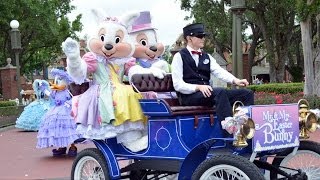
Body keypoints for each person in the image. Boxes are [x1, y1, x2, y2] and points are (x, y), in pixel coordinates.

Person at [171, 23, 254, 133]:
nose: (203, 39)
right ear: (189, 38)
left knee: (246, 93)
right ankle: (229, 132)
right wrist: (198, 87)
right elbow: (177, 85)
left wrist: (236, 80)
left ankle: (246, 128)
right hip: (188, 97)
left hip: (207, 95)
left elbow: (220, 72)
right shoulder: (179, 57)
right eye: (200, 36)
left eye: (204, 36)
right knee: (219, 92)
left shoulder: (207, 56)